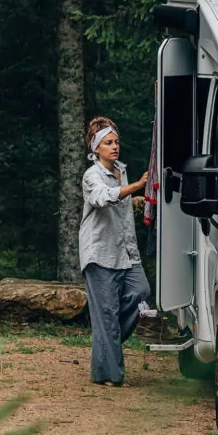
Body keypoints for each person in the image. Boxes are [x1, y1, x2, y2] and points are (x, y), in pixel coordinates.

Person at [79, 116, 154, 387]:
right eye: (108, 143)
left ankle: (104, 344)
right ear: (96, 148)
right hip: (100, 253)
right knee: (107, 314)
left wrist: (138, 199)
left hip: (126, 252)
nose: (114, 147)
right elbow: (101, 198)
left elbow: (121, 200)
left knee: (141, 292)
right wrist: (134, 187)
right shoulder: (92, 176)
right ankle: (110, 375)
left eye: (116, 142)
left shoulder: (121, 169)